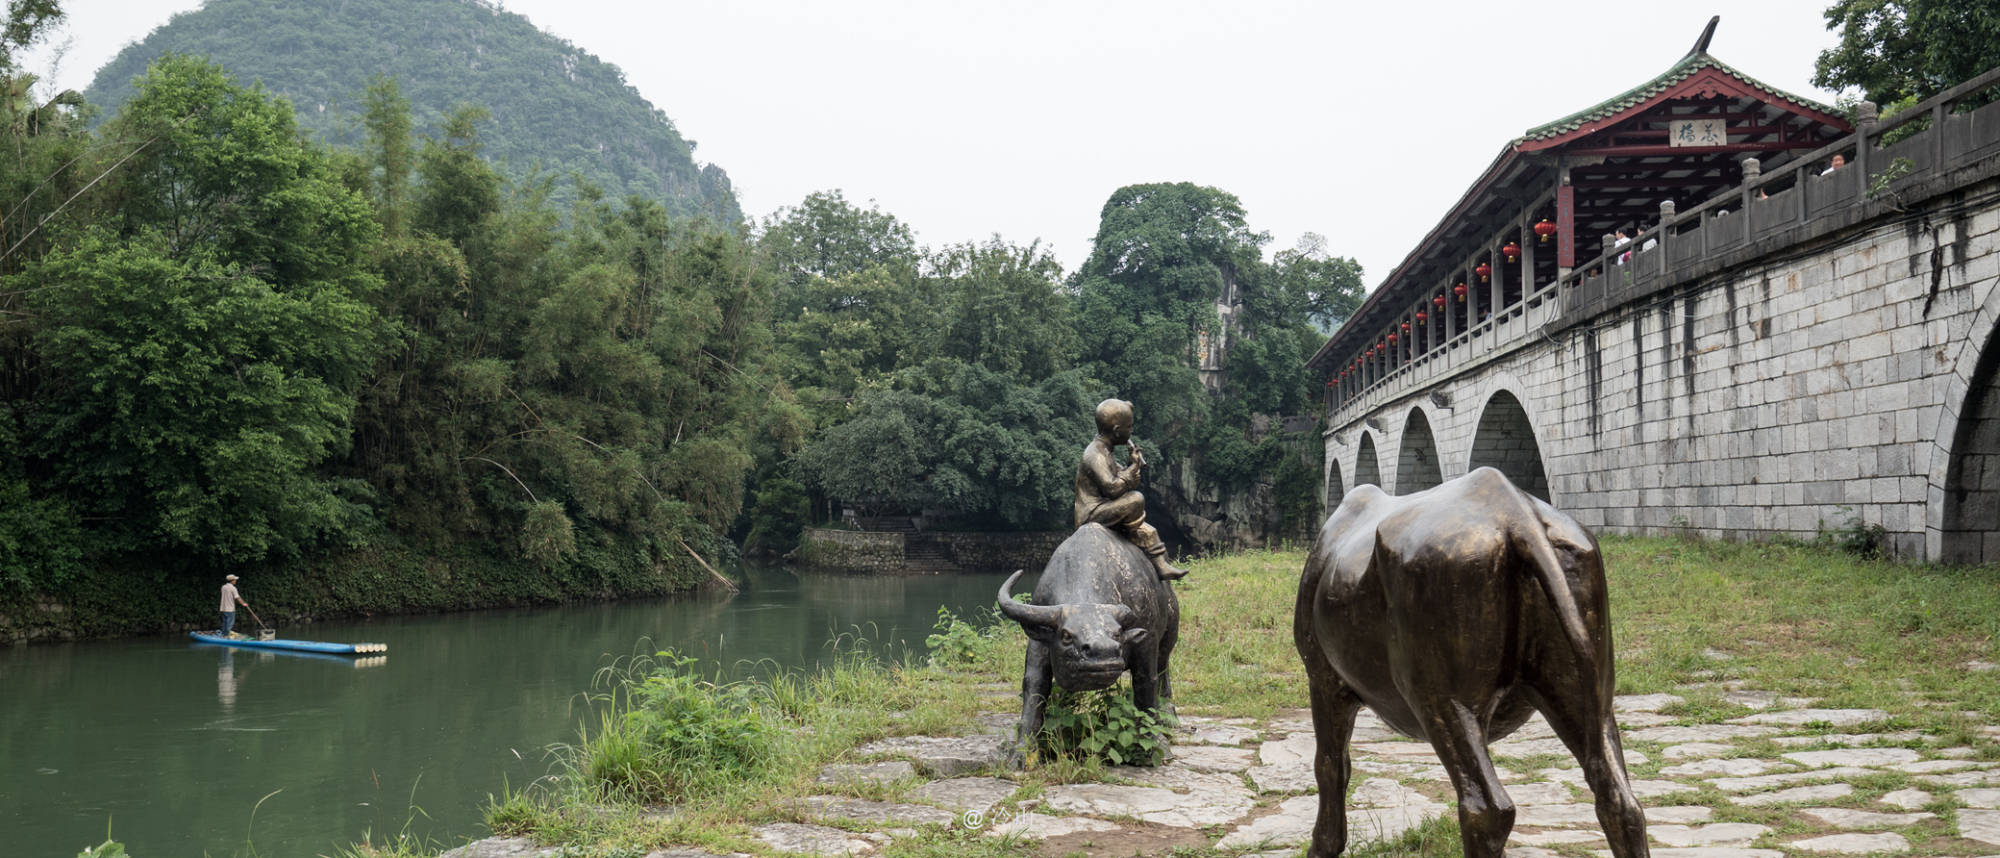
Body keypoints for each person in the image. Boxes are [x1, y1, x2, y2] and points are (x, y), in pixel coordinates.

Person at [1074, 398, 1187, 581]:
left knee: (1148, 530)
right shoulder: (1094, 454)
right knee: (1136, 499)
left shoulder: (1106, 451)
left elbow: (1122, 479)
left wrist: (1132, 465)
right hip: (1092, 513)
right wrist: (1132, 469)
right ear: (1118, 431)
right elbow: (1112, 488)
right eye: (1130, 427)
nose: (1132, 431)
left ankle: (1160, 565)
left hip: (1105, 508)